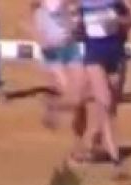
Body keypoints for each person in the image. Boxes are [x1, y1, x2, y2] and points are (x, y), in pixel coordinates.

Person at [82, 0, 131, 172]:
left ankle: (92, 140)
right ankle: (116, 158)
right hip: (94, 54)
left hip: (116, 53)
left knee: (111, 106)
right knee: (105, 102)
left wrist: (118, 20)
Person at [33, 0, 87, 146]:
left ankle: (78, 140)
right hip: (53, 52)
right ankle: (78, 141)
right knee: (73, 97)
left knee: (80, 100)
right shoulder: (42, 8)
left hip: (70, 47)